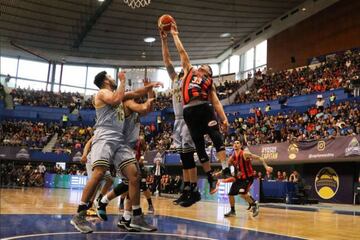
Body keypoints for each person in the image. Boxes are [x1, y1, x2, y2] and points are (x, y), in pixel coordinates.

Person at [70, 70, 161, 233]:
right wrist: (122, 81)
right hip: (105, 135)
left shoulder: (120, 95)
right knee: (99, 174)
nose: (113, 78)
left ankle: (136, 218)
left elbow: (135, 93)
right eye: (110, 77)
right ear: (105, 81)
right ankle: (79, 215)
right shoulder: (103, 93)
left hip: (119, 139)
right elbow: (115, 99)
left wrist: (149, 88)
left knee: (134, 175)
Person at [160, 29, 218, 208]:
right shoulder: (175, 78)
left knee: (188, 155)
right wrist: (164, 40)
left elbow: (183, 58)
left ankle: (193, 189)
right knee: (183, 157)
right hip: (177, 120)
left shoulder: (190, 76)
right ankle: (187, 189)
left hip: (188, 117)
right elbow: (167, 60)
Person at [170, 23, 231, 182]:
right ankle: (210, 176)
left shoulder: (209, 83)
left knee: (216, 136)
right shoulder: (189, 70)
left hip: (204, 108)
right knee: (199, 145)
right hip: (189, 111)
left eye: (207, 68)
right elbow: (182, 52)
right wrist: (174, 34)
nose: (204, 67)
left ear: (210, 74)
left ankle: (225, 168)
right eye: (203, 66)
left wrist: (224, 118)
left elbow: (216, 103)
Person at [94, 85, 156, 231]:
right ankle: (104, 202)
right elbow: (144, 108)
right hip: (121, 147)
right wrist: (150, 94)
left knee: (132, 183)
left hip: (128, 148)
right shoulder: (128, 103)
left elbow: (148, 109)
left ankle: (126, 218)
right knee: (133, 180)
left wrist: (150, 92)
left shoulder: (133, 106)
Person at [223, 140, 272, 218]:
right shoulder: (233, 156)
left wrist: (266, 167)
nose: (235, 144)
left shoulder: (245, 154)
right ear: (232, 146)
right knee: (230, 194)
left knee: (242, 193)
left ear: (241, 145)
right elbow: (226, 165)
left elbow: (259, 158)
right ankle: (233, 211)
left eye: (238, 143)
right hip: (239, 178)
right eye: (234, 143)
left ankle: (254, 204)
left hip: (248, 178)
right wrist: (218, 172)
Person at [80, 136, 113, 216]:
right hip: (92, 159)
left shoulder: (115, 136)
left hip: (102, 159)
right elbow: (88, 143)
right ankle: (88, 206)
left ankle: (98, 199)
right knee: (95, 183)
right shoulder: (101, 132)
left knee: (110, 180)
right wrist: (84, 155)